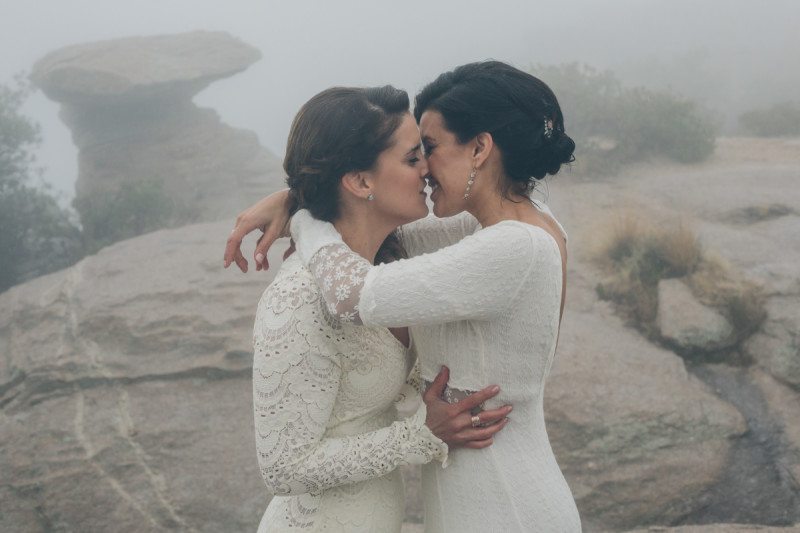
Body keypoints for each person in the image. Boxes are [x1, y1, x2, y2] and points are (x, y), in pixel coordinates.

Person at [228, 60, 582, 532]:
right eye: (414, 157)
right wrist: (301, 196)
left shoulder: (511, 242)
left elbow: (354, 293)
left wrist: (303, 215)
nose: (427, 171)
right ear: (359, 180)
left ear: (481, 147)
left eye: (428, 150)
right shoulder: (519, 221)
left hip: (501, 502)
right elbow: (281, 466)